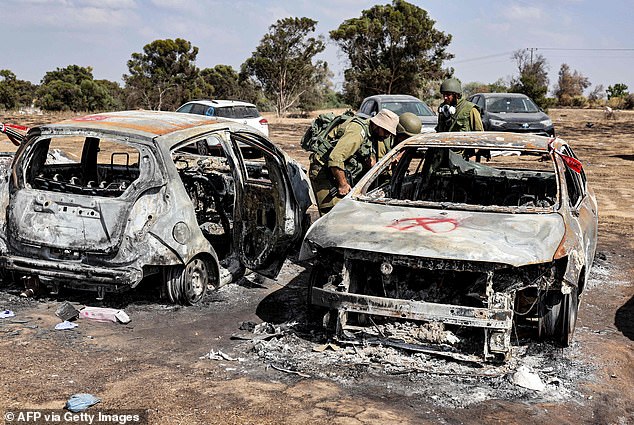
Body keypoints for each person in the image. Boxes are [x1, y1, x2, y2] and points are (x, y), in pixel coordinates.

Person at [310, 108, 399, 215]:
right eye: (385, 131)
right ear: (377, 125)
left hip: (338, 172)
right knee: (333, 215)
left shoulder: (372, 135)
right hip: (324, 173)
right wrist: (343, 184)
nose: (386, 135)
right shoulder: (358, 131)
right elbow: (336, 158)